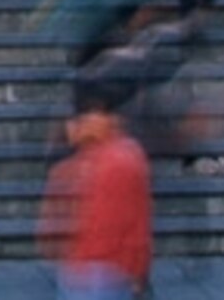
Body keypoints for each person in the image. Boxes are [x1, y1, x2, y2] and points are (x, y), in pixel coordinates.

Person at [37, 82, 154, 300]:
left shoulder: (72, 167)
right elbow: (138, 224)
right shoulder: (128, 156)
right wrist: (139, 270)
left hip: (81, 269)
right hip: (109, 269)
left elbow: (51, 226)